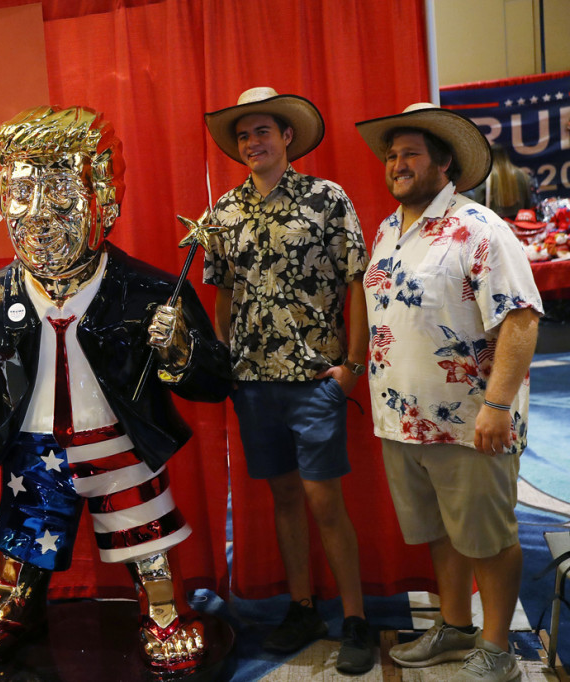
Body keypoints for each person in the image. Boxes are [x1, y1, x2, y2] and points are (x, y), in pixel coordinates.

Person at [0, 105, 233, 675]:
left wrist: (180, 353)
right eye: (21, 194)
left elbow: (216, 384)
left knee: (143, 531)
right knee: (25, 531)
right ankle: (12, 602)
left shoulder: (149, 290)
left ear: (104, 198)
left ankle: (163, 606)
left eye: (60, 196)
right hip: (34, 449)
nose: (39, 217)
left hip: (119, 445)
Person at [356, 103, 543, 682]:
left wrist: (496, 405)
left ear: (445, 164)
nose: (396, 164)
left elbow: (520, 320)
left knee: (488, 537)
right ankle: (457, 626)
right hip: (400, 419)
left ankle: (496, 648)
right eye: (392, 155)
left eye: (410, 153)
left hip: (471, 422)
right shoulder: (389, 228)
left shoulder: (481, 228)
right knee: (440, 532)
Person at [202, 87, 374, 674]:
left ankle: (355, 619)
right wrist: (222, 360)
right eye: (244, 135)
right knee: (281, 498)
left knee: (325, 499)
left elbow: (357, 280)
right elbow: (223, 291)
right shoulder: (223, 212)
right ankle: (302, 608)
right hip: (252, 383)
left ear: (288, 138)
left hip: (314, 380)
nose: (254, 143)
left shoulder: (328, 199)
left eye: (263, 132)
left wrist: (353, 365)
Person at [466, 143, 533, 219]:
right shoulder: (523, 176)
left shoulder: (486, 179)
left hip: (494, 223)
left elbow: (478, 206)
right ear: (506, 155)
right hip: (519, 223)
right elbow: (529, 204)